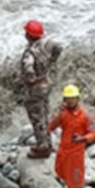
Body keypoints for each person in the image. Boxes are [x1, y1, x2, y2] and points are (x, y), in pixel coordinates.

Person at [48, 86, 95, 188]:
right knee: (62, 173)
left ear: (77, 99)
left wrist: (83, 139)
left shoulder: (85, 115)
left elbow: (94, 133)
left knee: (77, 182)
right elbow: (51, 127)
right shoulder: (63, 113)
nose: (70, 102)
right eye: (68, 99)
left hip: (76, 154)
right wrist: (58, 114)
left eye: (73, 99)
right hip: (63, 151)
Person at [21, 21, 63, 159]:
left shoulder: (30, 52)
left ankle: (42, 146)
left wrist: (31, 79)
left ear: (28, 35)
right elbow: (59, 47)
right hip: (46, 83)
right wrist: (52, 62)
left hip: (35, 88)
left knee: (36, 117)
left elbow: (28, 67)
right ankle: (48, 141)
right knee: (44, 113)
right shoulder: (47, 44)